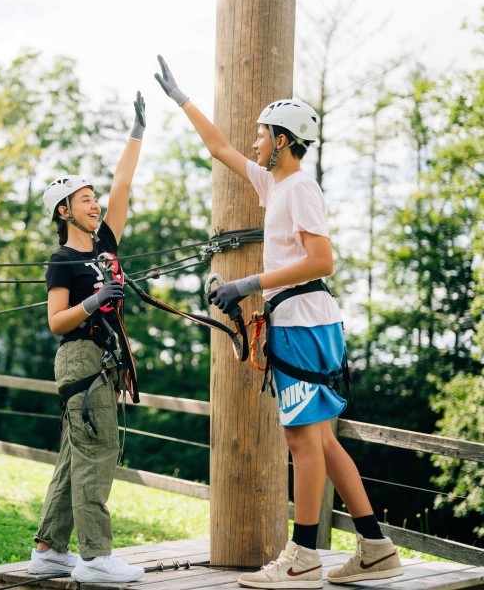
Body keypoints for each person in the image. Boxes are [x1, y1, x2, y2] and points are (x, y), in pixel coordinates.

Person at [154, 55, 404, 589]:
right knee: (323, 442)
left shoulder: (300, 189)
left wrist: (248, 285)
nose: (255, 143)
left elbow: (322, 262)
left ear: (285, 140)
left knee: (302, 443)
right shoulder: (275, 188)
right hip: (302, 322)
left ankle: (303, 558)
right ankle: (376, 546)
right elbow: (221, 149)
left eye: (263, 134)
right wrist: (183, 101)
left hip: (305, 325)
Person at [27, 92, 146, 584]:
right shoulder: (62, 261)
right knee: (97, 452)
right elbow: (56, 321)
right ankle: (95, 557)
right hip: (80, 359)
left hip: (102, 360)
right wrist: (94, 302)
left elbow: (123, 183)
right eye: (85, 200)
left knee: (75, 455)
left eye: (95, 200)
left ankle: (50, 550)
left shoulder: (106, 244)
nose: (96, 205)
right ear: (64, 212)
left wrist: (137, 131)